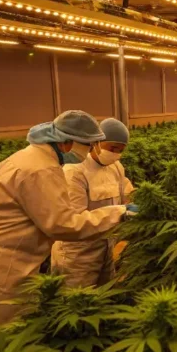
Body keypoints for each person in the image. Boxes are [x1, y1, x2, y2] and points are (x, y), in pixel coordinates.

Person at [0, 110, 137, 341]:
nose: (89, 152)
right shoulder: (41, 170)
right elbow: (63, 225)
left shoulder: (23, 159)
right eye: (88, 145)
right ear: (67, 141)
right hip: (3, 264)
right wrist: (118, 213)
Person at [51, 118, 134, 287]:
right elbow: (74, 220)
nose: (116, 153)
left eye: (120, 150)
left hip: (106, 247)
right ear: (96, 143)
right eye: (112, 148)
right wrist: (120, 212)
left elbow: (126, 192)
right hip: (78, 254)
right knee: (76, 304)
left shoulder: (116, 166)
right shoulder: (75, 170)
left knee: (104, 297)